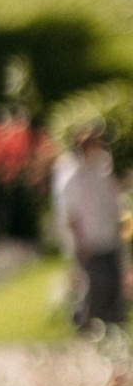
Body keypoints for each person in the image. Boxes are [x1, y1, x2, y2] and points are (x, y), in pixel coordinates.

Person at [52, 120, 126, 335]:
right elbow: (70, 212)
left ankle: (113, 326)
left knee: (113, 283)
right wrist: (79, 242)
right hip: (88, 239)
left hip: (108, 235)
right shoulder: (71, 174)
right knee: (95, 285)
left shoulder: (102, 167)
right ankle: (87, 324)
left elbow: (113, 199)